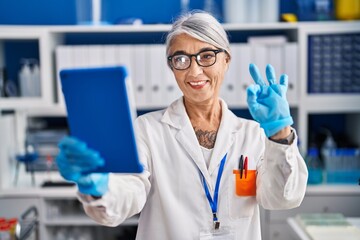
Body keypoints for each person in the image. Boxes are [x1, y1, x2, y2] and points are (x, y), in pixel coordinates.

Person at [56, 11, 308, 240]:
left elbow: (282, 198)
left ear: (226, 60)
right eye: (181, 59)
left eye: (207, 56)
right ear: (172, 66)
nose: (195, 71)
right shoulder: (148, 130)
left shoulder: (251, 135)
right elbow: (129, 192)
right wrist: (99, 186)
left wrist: (280, 133)